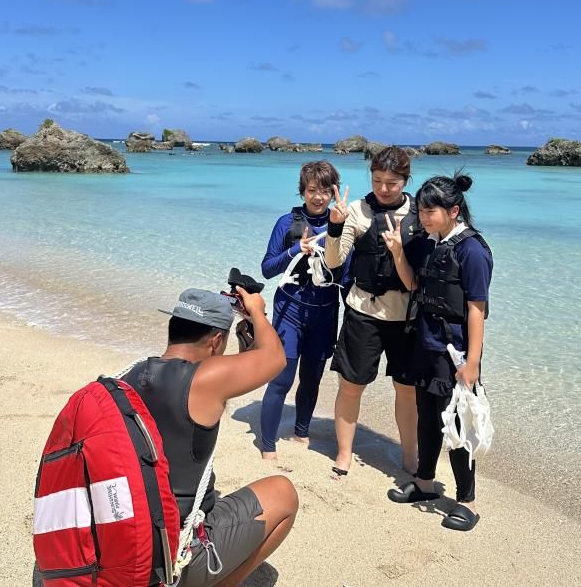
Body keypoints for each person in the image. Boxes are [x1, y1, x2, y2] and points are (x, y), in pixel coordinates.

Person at [121, 288, 298, 585]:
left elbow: (204, 406)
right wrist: (256, 311)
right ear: (217, 341)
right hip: (170, 553)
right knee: (284, 494)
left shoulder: (130, 375)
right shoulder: (203, 381)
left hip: (130, 536)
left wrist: (244, 352)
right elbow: (276, 358)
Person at [381, 171, 493, 532]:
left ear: (454, 211)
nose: (424, 216)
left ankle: (467, 502)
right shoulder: (431, 244)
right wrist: (398, 252)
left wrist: (472, 361)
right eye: (422, 210)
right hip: (425, 343)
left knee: (457, 424)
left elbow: (477, 309)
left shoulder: (472, 250)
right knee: (427, 417)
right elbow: (414, 284)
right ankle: (426, 484)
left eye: (431, 210)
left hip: (455, 352)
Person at [324, 146, 422, 477]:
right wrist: (334, 226)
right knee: (351, 384)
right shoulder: (357, 210)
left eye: (392, 183)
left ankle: (410, 458)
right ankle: (344, 453)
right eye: (377, 180)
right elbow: (334, 262)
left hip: (406, 317)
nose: (383, 188)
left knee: (407, 391)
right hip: (362, 311)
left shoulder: (419, 215)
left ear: (406, 181)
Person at [259, 160, 348, 460]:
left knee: (312, 379)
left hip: (324, 314)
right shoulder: (288, 223)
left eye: (325, 190)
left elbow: (347, 279)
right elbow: (267, 268)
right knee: (282, 379)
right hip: (290, 310)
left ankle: (301, 431)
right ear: (303, 191)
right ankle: (268, 446)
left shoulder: (343, 226)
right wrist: (296, 250)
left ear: (334, 193)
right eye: (312, 190)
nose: (318, 197)